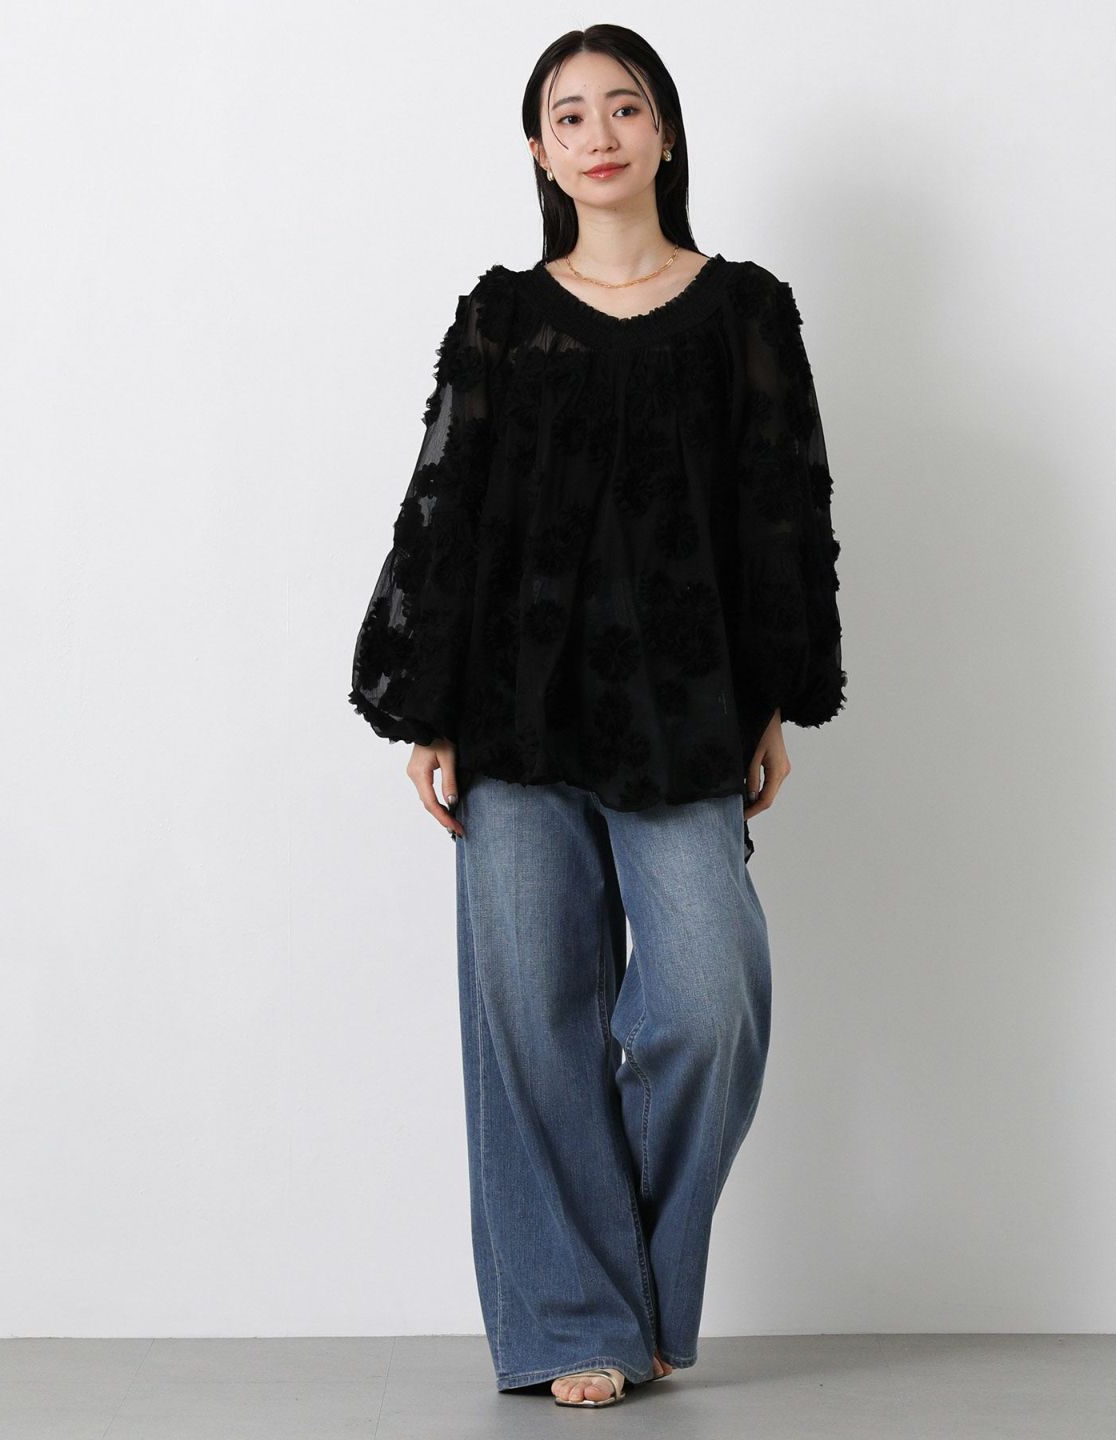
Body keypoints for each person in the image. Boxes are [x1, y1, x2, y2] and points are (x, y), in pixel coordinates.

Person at [348, 25, 847, 1409]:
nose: (600, 133)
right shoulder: (501, 316)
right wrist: (427, 708)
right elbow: (445, 507)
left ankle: (641, 1281)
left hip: (684, 718)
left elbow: (783, 509)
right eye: (570, 116)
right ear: (541, 152)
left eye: (624, 107)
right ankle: (576, 1319)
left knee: (706, 1000)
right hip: (511, 714)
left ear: (665, 132)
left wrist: (776, 700)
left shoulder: (747, 311)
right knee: (534, 1020)